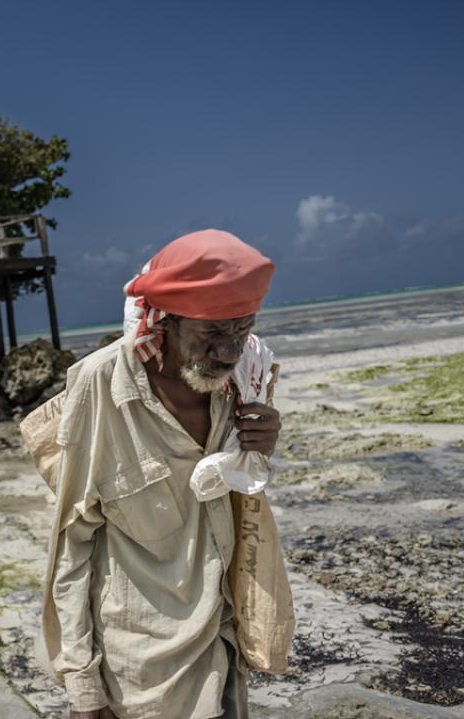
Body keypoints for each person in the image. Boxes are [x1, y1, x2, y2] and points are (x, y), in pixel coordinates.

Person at [37, 229, 282, 719]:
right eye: (212, 334)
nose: (229, 352)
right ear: (165, 320)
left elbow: (237, 492)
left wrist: (264, 441)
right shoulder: (101, 385)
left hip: (223, 641)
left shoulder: (247, 378)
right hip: (140, 673)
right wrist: (83, 686)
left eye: (242, 329)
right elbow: (71, 544)